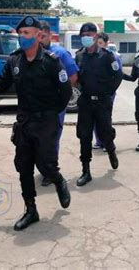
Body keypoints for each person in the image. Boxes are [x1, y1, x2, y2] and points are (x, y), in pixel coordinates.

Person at [0, 16, 72, 231]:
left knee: (47, 166)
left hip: (46, 122)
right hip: (24, 122)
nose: (22, 38)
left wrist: (52, 115)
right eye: (20, 34)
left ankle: (58, 180)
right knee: (24, 167)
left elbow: (65, 92)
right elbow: (1, 86)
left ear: (39, 36)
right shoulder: (14, 61)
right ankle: (31, 210)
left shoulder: (51, 61)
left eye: (27, 33)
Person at [74, 23, 122, 187]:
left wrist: (108, 92)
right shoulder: (79, 56)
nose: (87, 36)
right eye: (84, 34)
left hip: (102, 102)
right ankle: (86, 171)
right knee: (84, 136)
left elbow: (118, 76)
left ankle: (111, 150)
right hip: (86, 102)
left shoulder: (107, 56)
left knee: (105, 132)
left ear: (96, 35)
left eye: (90, 33)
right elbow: (77, 77)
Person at [39, 20, 79, 187]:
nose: (40, 39)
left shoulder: (60, 54)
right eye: (38, 36)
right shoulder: (31, 54)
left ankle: (51, 172)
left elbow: (73, 77)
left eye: (43, 36)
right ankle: (43, 169)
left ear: (50, 35)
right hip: (37, 104)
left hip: (55, 106)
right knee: (37, 138)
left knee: (52, 137)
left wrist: (61, 96)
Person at [93, 32, 122, 151]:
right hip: (94, 92)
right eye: (96, 43)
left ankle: (107, 142)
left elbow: (118, 76)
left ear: (106, 43)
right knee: (95, 117)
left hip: (107, 93)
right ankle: (99, 141)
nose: (98, 45)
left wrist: (110, 91)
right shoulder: (92, 56)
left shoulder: (113, 57)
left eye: (100, 43)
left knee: (105, 117)